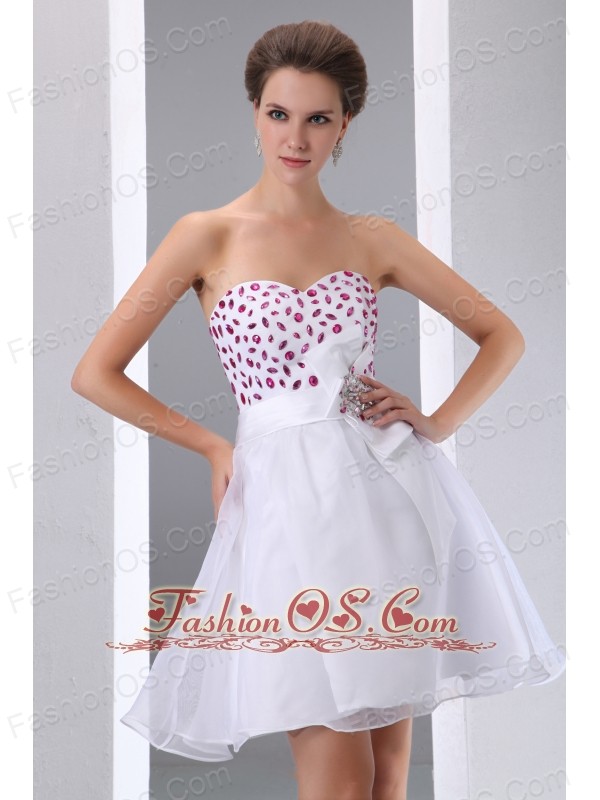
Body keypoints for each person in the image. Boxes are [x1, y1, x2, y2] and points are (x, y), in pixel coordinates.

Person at [72, 19, 565, 800]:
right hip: (283, 507)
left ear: (346, 124)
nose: (295, 138)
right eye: (279, 114)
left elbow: (501, 334)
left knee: (389, 774)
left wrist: (437, 422)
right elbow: (95, 373)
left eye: (318, 118)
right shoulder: (205, 235)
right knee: (341, 773)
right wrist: (212, 446)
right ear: (254, 113)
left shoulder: (374, 238)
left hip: (389, 498)